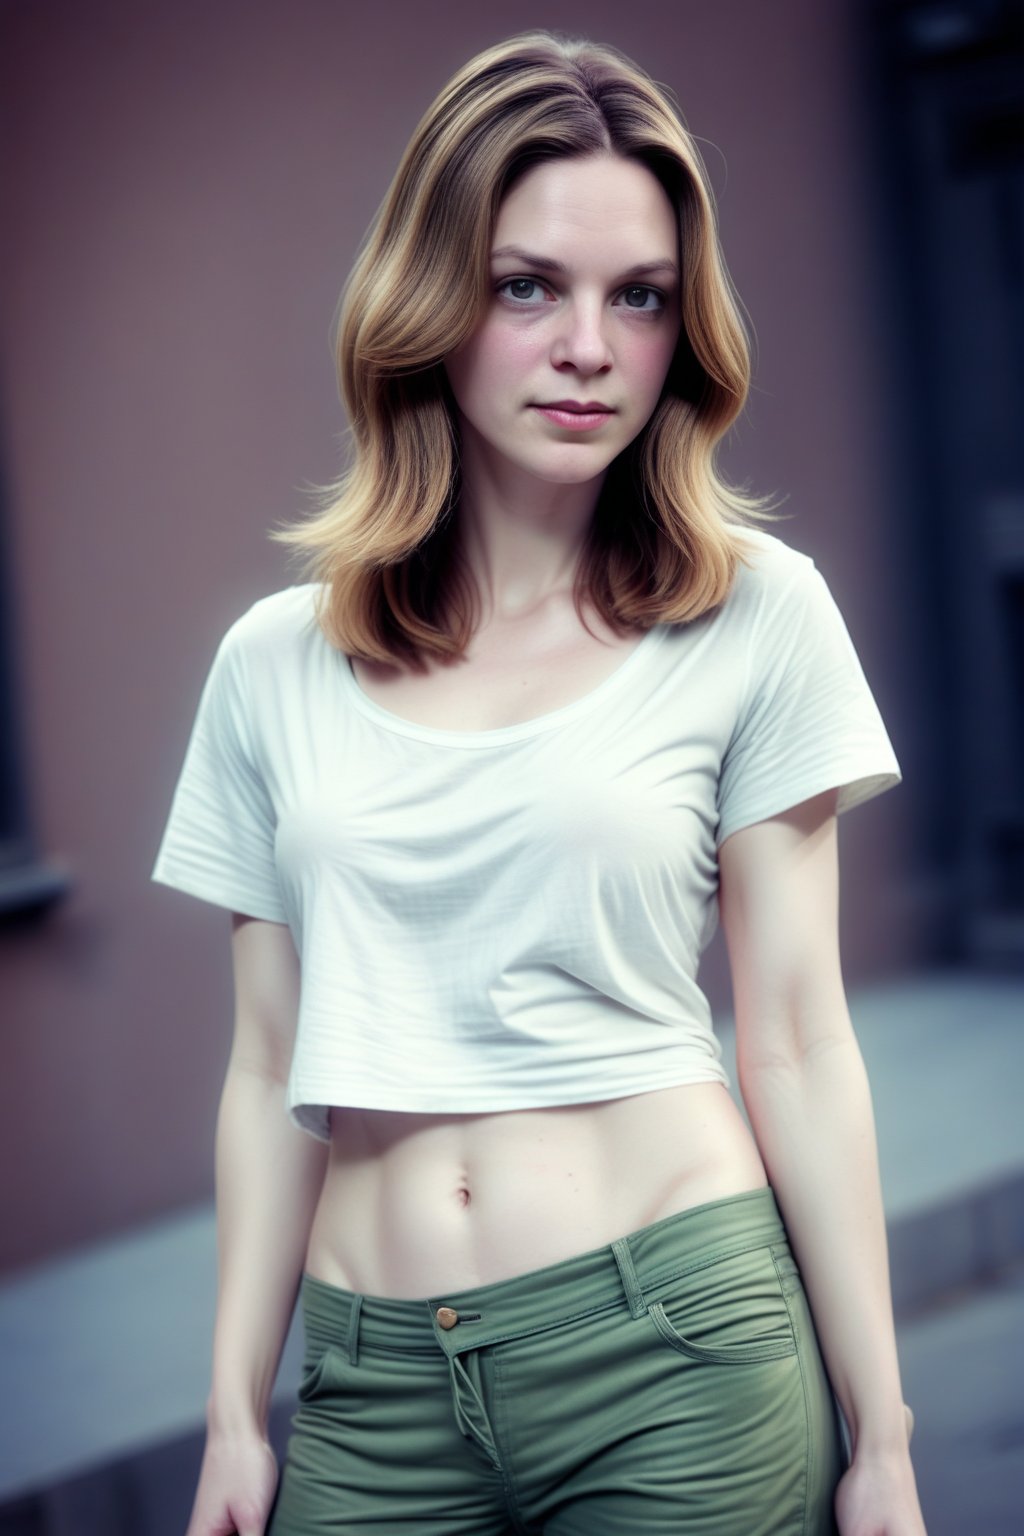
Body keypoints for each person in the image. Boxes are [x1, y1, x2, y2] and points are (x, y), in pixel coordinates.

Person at [152, 30, 927, 1536]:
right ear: (430, 301)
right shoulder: (271, 664)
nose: (591, 346)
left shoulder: (756, 615)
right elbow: (266, 1072)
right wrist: (236, 1415)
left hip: (678, 1355)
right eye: (530, 286)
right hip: (370, 1391)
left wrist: (881, 1438)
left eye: (639, 296)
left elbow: (795, 1041)